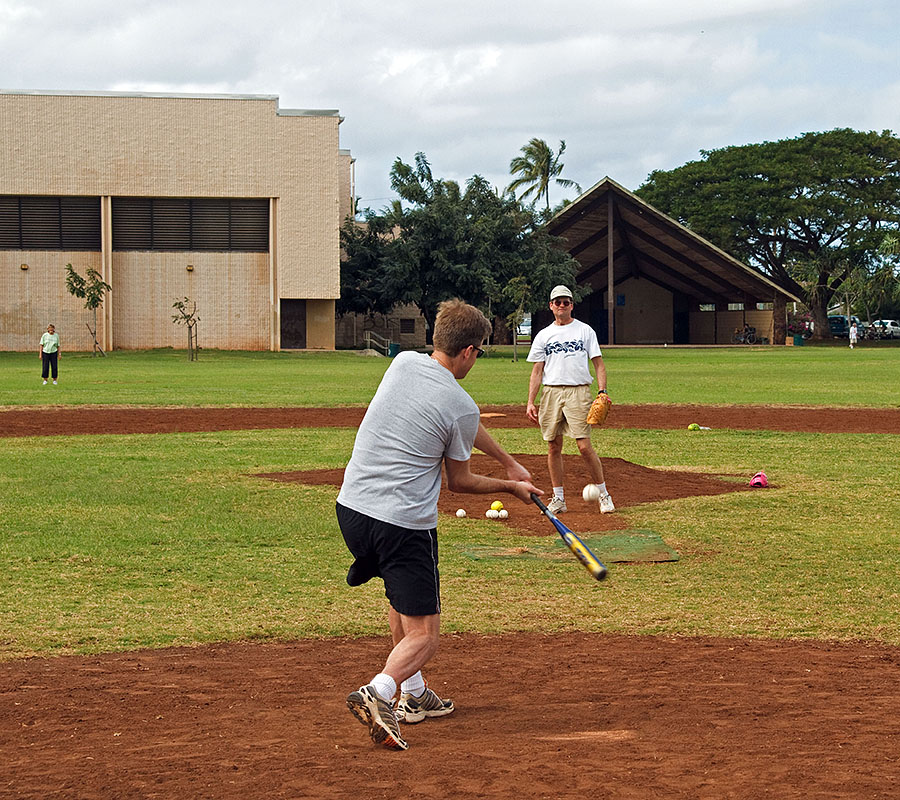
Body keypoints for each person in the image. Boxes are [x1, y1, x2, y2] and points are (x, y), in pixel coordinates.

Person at [337, 299, 541, 751]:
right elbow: (459, 481)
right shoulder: (460, 403)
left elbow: (461, 425)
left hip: (352, 510)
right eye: (480, 351)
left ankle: (413, 696)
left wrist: (509, 462)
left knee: (401, 598)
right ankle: (379, 692)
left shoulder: (403, 363)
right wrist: (511, 488)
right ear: (469, 351)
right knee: (426, 634)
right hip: (401, 522)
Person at [526, 285, 614, 515]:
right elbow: (537, 371)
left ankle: (604, 495)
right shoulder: (544, 335)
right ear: (551, 306)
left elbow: (598, 364)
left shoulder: (585, 331)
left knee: (584, 446)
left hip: (578, 392)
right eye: (558, 302)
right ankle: (559, 498)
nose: (562, 305)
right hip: (551, 392)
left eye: (566, 301)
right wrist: (530, 401)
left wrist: (602, 391)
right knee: (553, 446)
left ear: (572, 305)